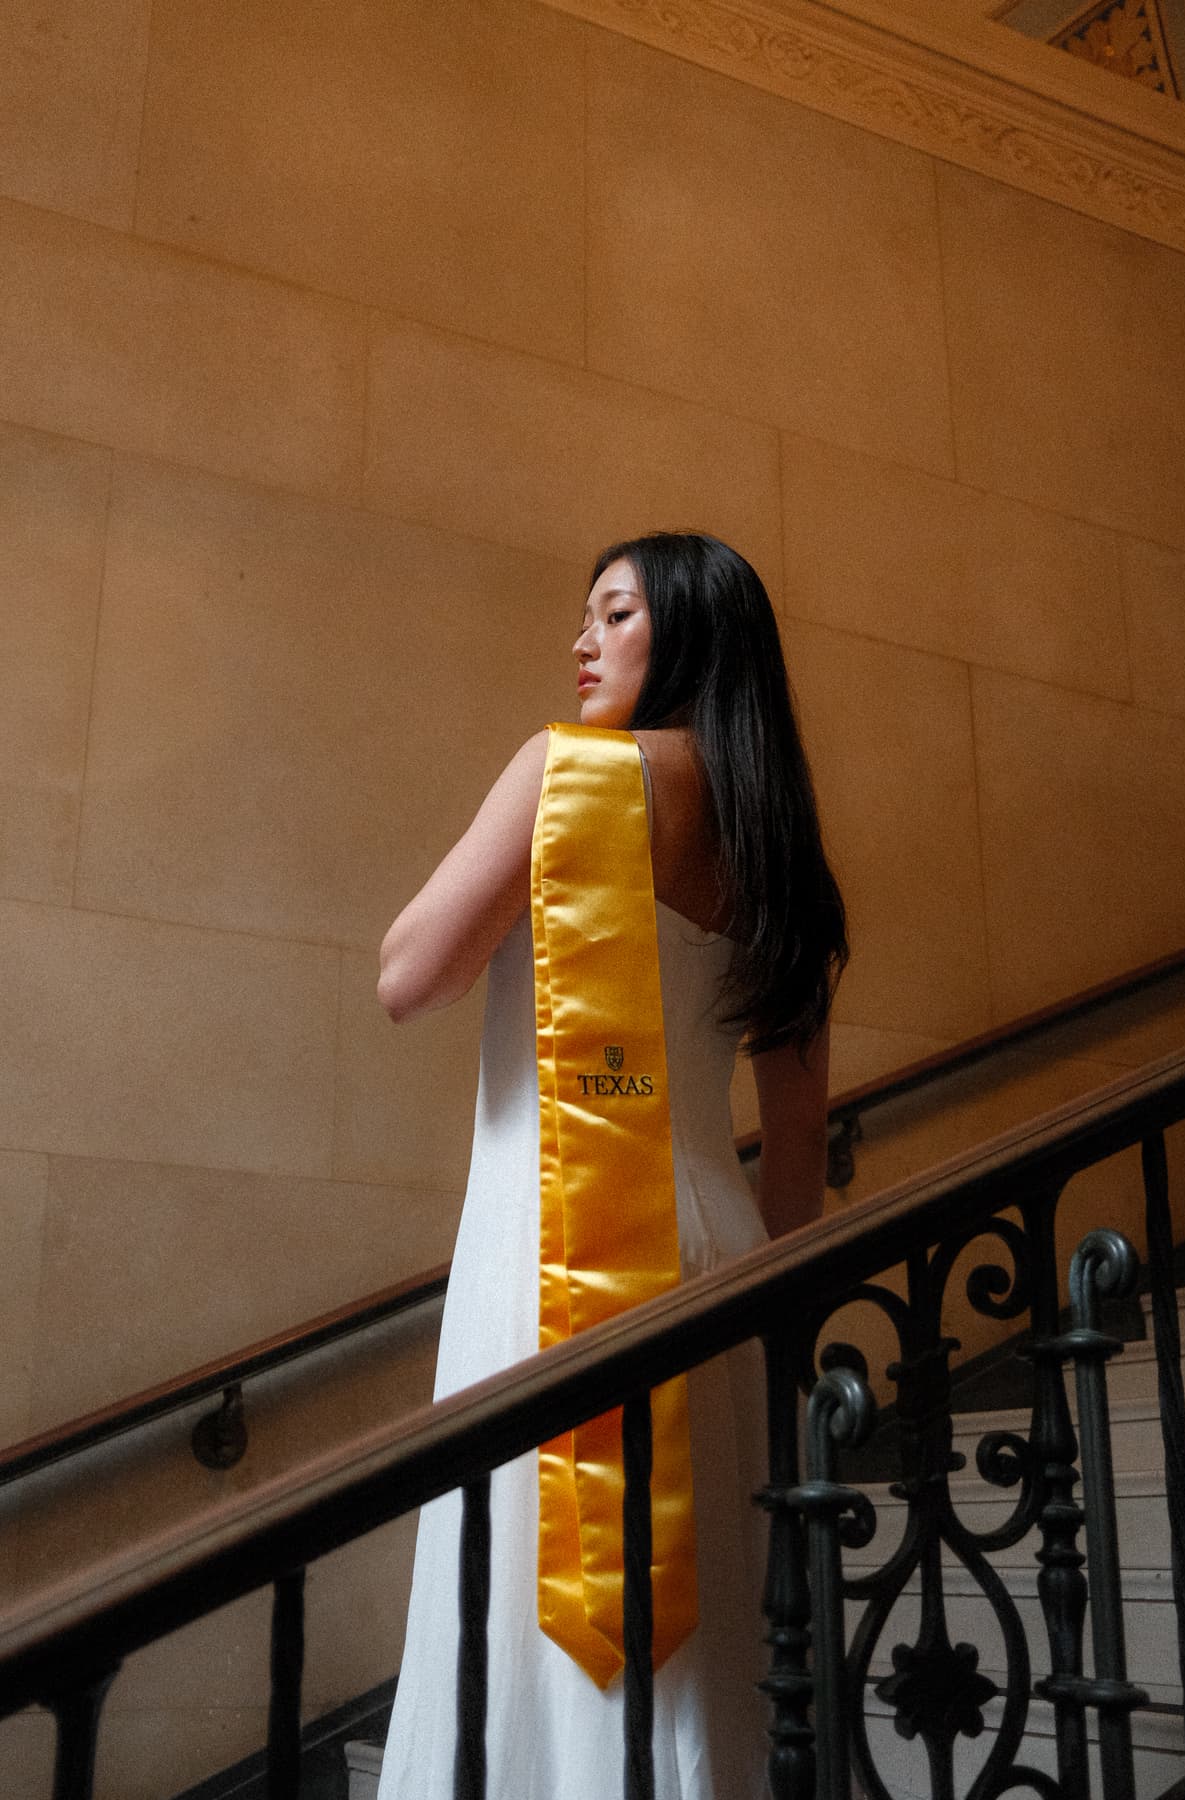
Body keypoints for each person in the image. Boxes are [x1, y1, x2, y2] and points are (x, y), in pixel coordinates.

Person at [375, 532, 847, 1800]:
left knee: (541, 1606)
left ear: (684, 632)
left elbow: (406, 977)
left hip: (561, 1239)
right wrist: (772, 1332)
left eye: (615, 613)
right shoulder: (779, 851)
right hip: (726, 1259)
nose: (582, 641)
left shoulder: (567, 776)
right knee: (720, 1633)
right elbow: (798, 1140)